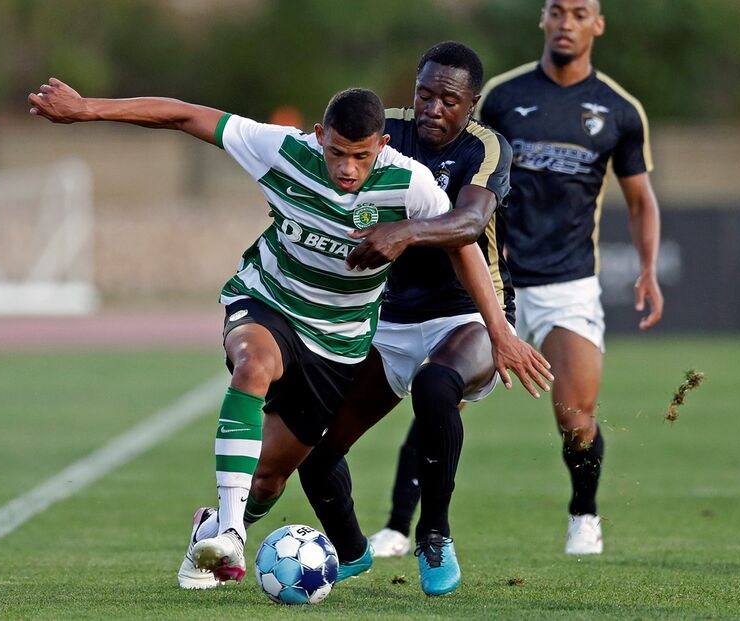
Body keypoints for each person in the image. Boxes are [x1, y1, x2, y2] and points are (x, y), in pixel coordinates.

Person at [27, 80, 533, 588]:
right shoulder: (282, 150)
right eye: (337, 153)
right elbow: (184, 114)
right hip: (269, 301)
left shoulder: (411, 183)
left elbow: (463, 246)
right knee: (254, 364)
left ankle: (214, 527)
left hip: (338, 342)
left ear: (381, 146)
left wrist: (499, 331)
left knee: (268, 479)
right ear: (320, 136)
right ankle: (231, 534)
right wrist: (87, 109)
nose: (347, 168)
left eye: (360, 156)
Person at [217, 41, 553, 597]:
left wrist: (407, 235)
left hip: (467, 314)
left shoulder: (486, 148)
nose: (433, 109)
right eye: (425, 95)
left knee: (437, 387)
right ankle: (350, 552)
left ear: (471, 104)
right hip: (387, 319)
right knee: (317, 449)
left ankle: (434, 535)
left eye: (449, 100)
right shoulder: (382, 132)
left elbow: (470, 224)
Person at [370, 0, 664, 558]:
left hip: (566, 281)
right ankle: (398, 526)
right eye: (557, 11)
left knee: (576, 416)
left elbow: (640, 199)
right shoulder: (502, 97)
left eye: (580, 12)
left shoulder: (620, 111)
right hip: (484, 277)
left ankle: (584, 513)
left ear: (598, 24)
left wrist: (648, 268)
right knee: (439, 395)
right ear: (543, 19)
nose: (567, 22)